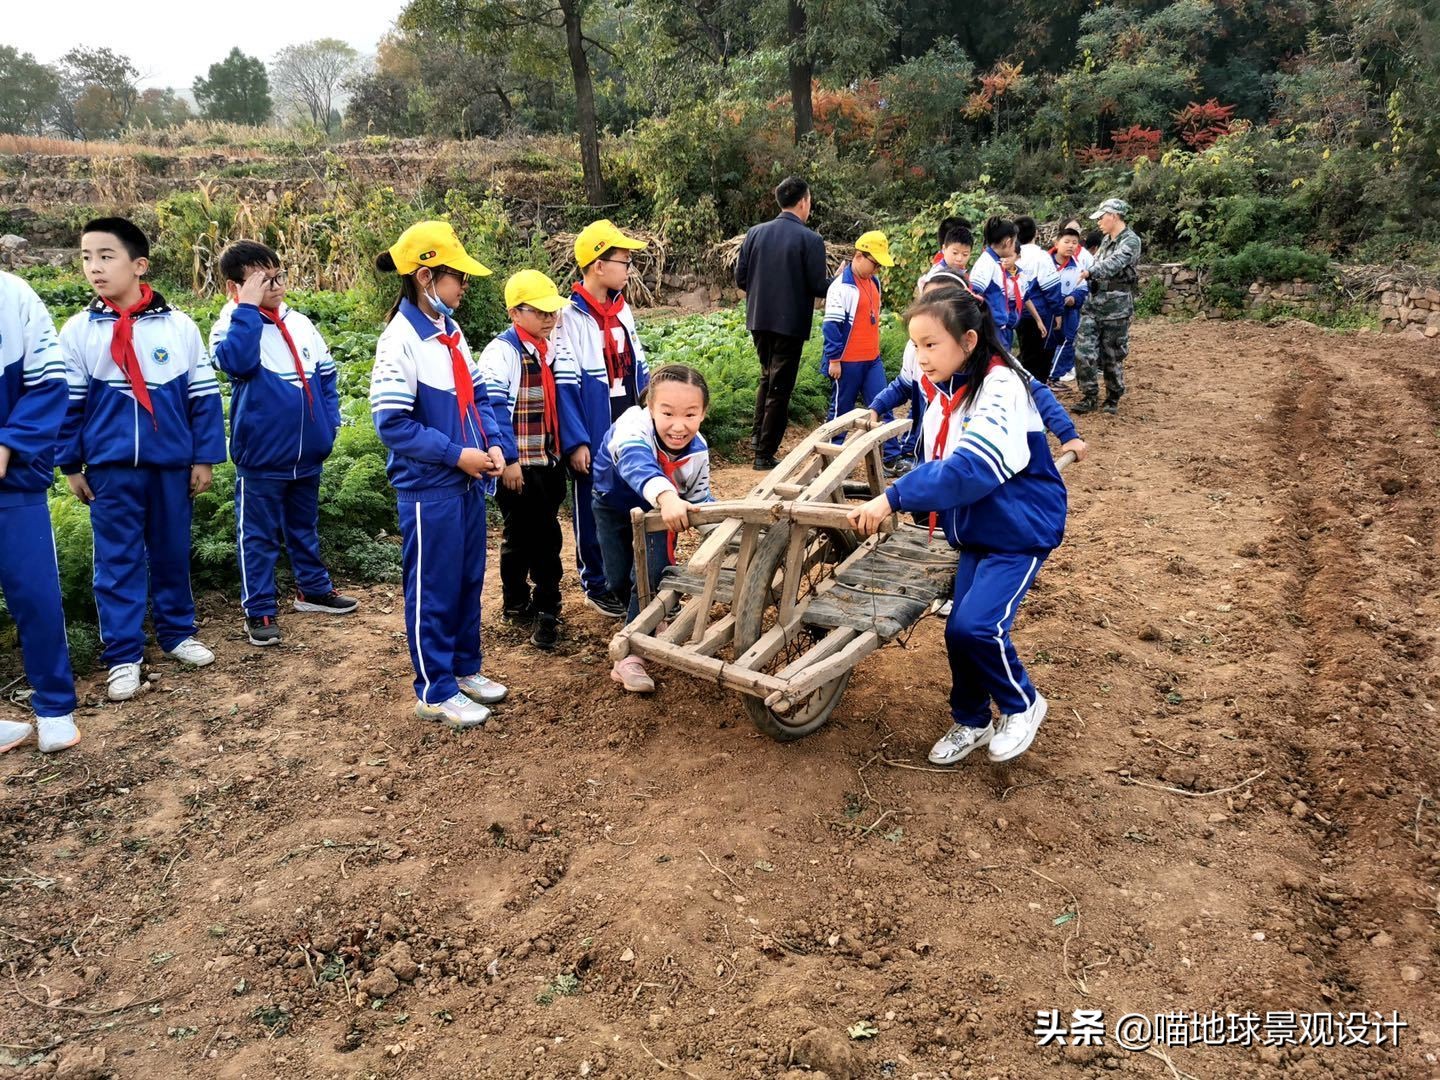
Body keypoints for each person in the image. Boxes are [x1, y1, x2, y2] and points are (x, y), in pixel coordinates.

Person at [848, 286, 1068, 767]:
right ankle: (972, 720)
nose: (921, 357)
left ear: (968, 340)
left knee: (978, 627)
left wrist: (892, 498)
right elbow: (938, 462)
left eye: (931, 344)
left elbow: (969, 470)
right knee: (958, 632)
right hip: (976, 530)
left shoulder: (1001, 387)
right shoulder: (947, 391)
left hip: (1019, 530)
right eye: (916, 345)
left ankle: (1022, 703)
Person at [58, 217, 226, 703]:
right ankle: (123, 654)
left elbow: (202, 398)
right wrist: (70, 465)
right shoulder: (79, 331)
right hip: (109, 471)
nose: (94, 267)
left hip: (171, 466)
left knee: (172, 550)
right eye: (87, 257)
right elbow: (68, 405)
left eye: (106, 256)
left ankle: (177, 633)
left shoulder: (178, 327)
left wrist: (204, 458)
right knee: (116, 561)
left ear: (139, 265)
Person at [369, 221, 508, 730]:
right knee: (434, 587)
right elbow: (392, 424)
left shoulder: (451, 333)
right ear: (426, 276)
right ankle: (435, 689)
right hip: (430, 489)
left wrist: (493, 443)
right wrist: (456, 455)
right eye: (459, 277)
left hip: (465, 481)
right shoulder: (400, 340)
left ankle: (465, 668)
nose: (465, 286)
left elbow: (479, 398)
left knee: (468, 580)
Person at [210, 240, 356, 649]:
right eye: (262, 280)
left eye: (278, 277)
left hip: (308, 452)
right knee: (258, 536)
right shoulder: (229, 326)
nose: (275, 287)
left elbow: (326, 377)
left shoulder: (301, 322)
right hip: (262, 456)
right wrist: (247, 308)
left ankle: (313, 590)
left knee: (303, 526)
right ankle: (258, 609)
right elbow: (238, 363)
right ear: (234, 287)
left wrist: (328, 426)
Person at [591, 364, 712, 693]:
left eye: (690, 414)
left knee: (648, 576)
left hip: (658, 514)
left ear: (703, 413)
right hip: (613, 503)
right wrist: (668, 496)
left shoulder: (698, 450)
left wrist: (728, 532)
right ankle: (652, 617)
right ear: (650, 407)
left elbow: (700, 499)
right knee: (617, 579)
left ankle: (630, 655)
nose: (679, 425)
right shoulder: (632, 424)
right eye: (667, 413)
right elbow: (635, 461)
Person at [0, 272, 80, 754]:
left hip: (13, 483)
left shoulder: (13, 295)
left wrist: (8, 443)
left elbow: (50, 382)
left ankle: (54, 708)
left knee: (35, 595)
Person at [554, 219, 649, 620]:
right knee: (592, 502)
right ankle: (596, 582)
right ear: (597, 265)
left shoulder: (622, 309)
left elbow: (640, 365)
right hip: (594, 423)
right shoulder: (569, 317)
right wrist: (576, 440)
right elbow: (564, 384)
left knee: (632, 491)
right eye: (623, 261)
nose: (629, 269)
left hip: (627, 413)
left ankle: (631, 576)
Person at [479, 270, 572, 651]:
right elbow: (493, 407)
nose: (550, 318)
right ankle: (539, 604)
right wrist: (510, 460)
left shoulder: (548, 349)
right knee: (531, 535)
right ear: (515, 313)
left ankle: (526, 601)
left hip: (548, 461)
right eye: (540, 311)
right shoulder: (501, 352)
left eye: (553, 311)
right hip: (520, 464)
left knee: (537, 531)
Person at [734, 176, 830, 470]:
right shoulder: (811, 240)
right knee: (780, 387)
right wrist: (838, 280)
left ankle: (757, 438)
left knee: (767, 376)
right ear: (803, 202)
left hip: (759, 318)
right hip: (790, 324)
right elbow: (818, 286)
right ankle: (764, 454)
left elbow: (741, 278)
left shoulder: (755, 233)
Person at [820, 231, 902, 465]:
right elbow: (832, 327)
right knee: (841, 411)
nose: (877, 270)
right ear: (859, 256)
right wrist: (834, 359)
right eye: (875, 264)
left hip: (872, 359)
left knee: (883, 404)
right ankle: (831, 459)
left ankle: (891, 458)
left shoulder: (873, 282)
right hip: (847, 361)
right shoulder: (841, 287)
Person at [1075, 198, 1142, 415]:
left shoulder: (1131, 241)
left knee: (1112, 355)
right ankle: (1089, 395)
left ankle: (1112, 397)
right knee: (1083, 351)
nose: (1099, 222)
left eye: (1101, 217)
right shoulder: (1106, 240)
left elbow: (1114, 263)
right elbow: (1097, 262)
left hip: (1116, 307)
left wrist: (1090, 272)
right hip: (1093, 304)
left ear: (1113, 216)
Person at [1014, 216, 1064, 383]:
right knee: (1041, 357)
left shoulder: (1012, 255)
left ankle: (1024, 388)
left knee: (1026, 352)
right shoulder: (1041, 256)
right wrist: (1058, 312)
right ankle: (1035, 390)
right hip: (1040, 314)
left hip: (1019, 312)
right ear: (1036, 233)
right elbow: (1051, 288)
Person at [967, 218, 1020, 349]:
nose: (1015, 246)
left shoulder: (994, 261)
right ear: (1008, 242)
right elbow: (973, 294)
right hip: (991, 329)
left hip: (997, 327)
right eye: (1014, 242)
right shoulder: (986, 263)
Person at [1046, 227, 1089, 386]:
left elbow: (1083, 289)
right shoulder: (1045, 262)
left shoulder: (1077, 265)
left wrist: (1074, 298)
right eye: (1067, 242)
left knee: (1069, 340)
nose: (1071, 246)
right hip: (1048, 308)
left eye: (1074, 243)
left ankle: (1054, 376)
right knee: (1047, 341)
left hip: (1069, 310)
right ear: (1056, 243)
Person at [918, 218, 973, 292]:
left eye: (965, 254)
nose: (959, 258)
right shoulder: (939, 273)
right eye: (955, 253)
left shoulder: (956, 266)